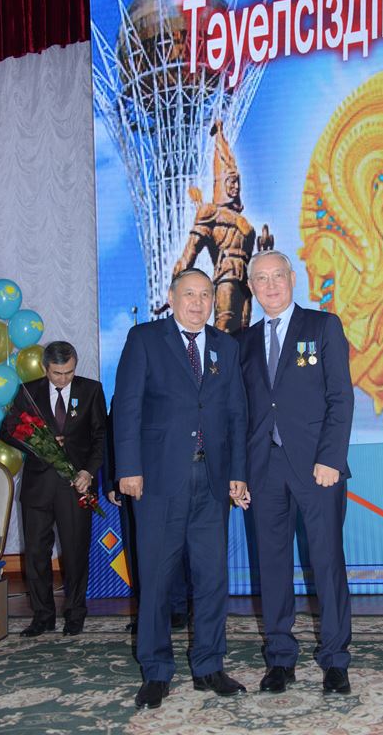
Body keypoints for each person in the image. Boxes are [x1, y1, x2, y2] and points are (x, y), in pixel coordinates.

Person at [113, 268, 248, 710]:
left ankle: (209, 665)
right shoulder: (145, 339)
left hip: (212, 481)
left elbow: (237, 414)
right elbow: (127, 407)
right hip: (157, 481)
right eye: (189, 294)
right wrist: (128, 468)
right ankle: (156, 671)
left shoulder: (226, 346)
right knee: (156, 579)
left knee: (212, 578)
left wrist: (238, 472)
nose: (197, 302)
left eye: (205, 294)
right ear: (171, 298)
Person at [237, 250, 355, 695]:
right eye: (261, 278)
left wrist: (331, 458)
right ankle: (280, 658)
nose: (270, 285)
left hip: (317, 467)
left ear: (292, 278)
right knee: (272, 565)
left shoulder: (323, 326)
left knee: (326, 562)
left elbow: (340, 397)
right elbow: (241, 413)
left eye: (277, 276)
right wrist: (239, 473)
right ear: (251, 287)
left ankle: (335, 659)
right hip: (263, 470)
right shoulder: (243, 341)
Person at [0, 341, 107, 637]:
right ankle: (43, 615)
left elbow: (101, 436)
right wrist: (38, 446)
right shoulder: (28, 392)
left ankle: (75, 614)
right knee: (36, 553)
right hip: (38, 487)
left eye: (69, 372)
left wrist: (88, 471)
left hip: (75, 485)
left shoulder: (91, 390)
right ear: (45, 368)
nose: (63, 379)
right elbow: (7, 431)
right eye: (57, 373)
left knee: (75, 553)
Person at [101, 403, 191, 632]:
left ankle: (178, 607)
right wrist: (111, 483)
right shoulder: (126, 393)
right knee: (137, 550)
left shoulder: (173, 391)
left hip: (168, 481)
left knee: (173, 545)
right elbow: (112, 437)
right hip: (130, 485)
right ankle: (147, 611)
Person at [172, 120, 255, 333]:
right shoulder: (210, 213)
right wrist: (178, 279)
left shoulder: (244, 222)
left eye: (237, 182)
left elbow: (252, 256)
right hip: (226, 276)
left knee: (244, 333)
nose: (236, 187)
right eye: (231, 182)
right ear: (222, 184)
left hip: (245, 282)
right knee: (224, 327)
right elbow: (191, 250)